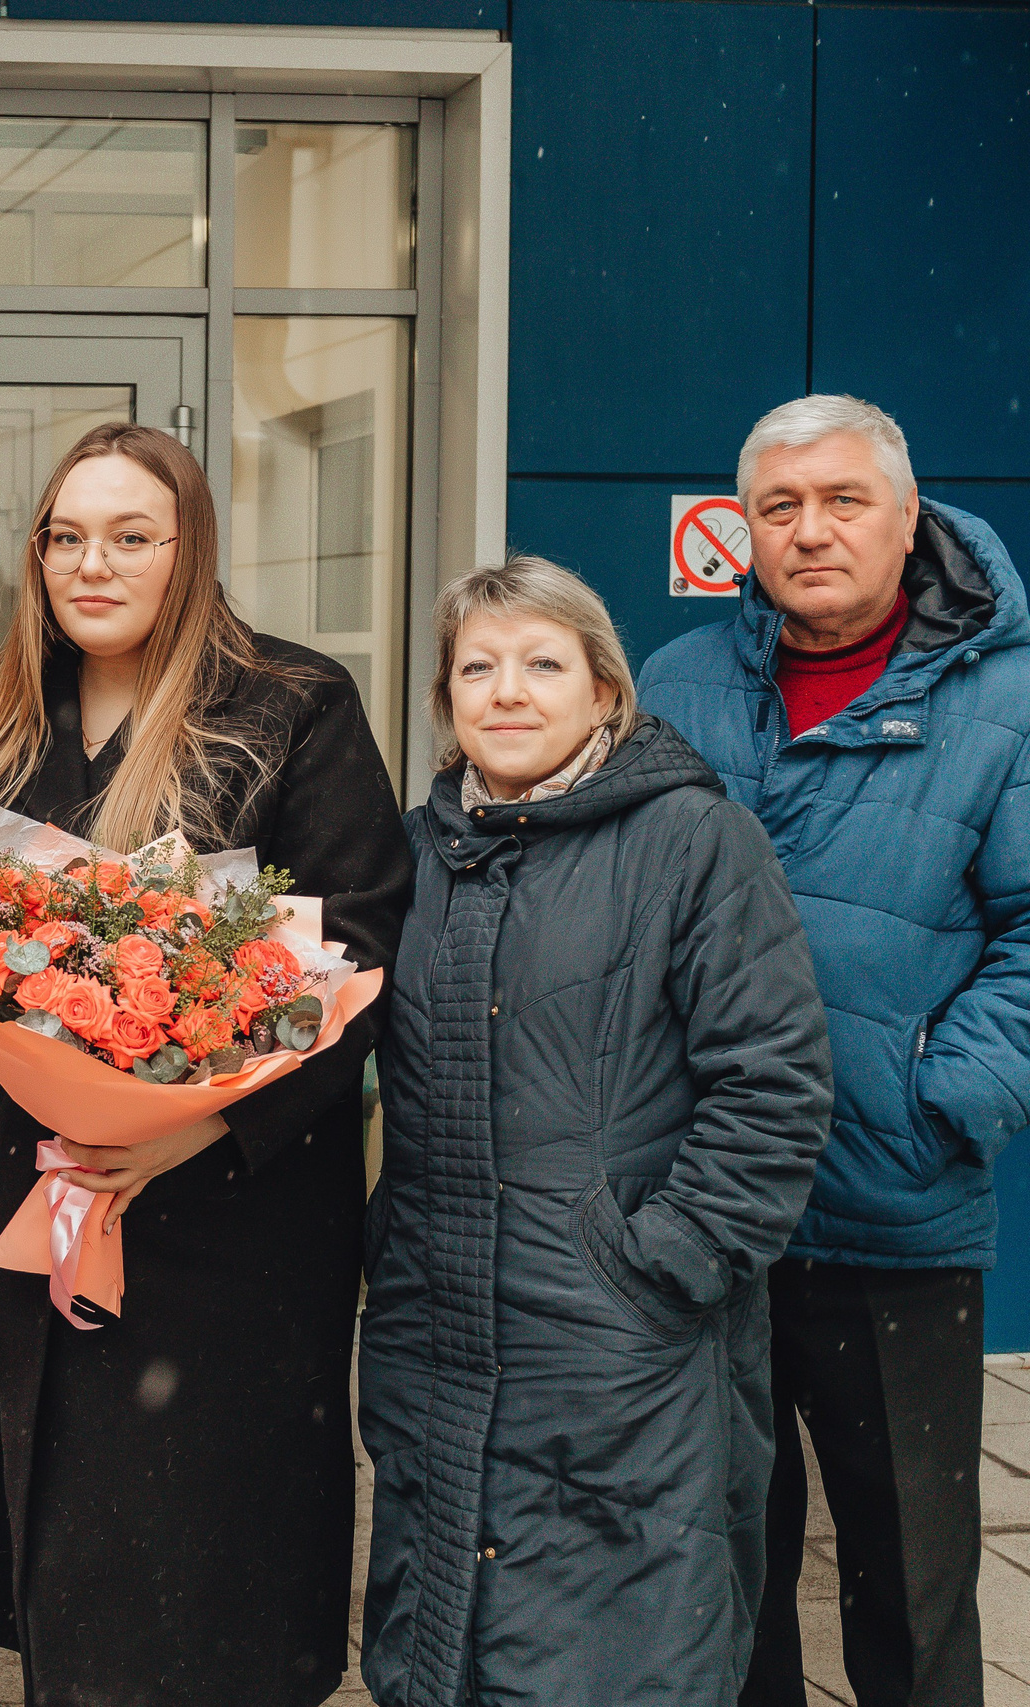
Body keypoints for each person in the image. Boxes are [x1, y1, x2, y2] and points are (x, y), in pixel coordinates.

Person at [0, 421, 412, 1706]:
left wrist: (195, 1130)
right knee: (53, 1553)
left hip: (224, 1232)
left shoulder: (290, 707)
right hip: (14, 1194)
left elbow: (360, 952)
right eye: (66, 536)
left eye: (130, 537)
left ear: (188, 550)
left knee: (198, 1576)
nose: (90, 564)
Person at [357, 556, 833, 1706]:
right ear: (445, 699)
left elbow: (772, 1082)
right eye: (476, 667)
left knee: (622, 1651)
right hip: (436, 1326)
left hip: (623, 1345)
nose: (505, 691)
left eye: (540, 663)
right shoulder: (410, 858)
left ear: (603, 693)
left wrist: (664, 1263)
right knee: (447, 1650)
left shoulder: (691, 841)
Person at [641, 395, 1030, 1707]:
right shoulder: (678, 683)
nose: (810, 530)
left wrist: (949, 1093)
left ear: (907, 515)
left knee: (912, 1581)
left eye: (843, 500)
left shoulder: (1013, 698)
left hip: (895, 1208)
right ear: (742, 527)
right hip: (706, 1215)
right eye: (779, 506)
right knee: (722, 1568)